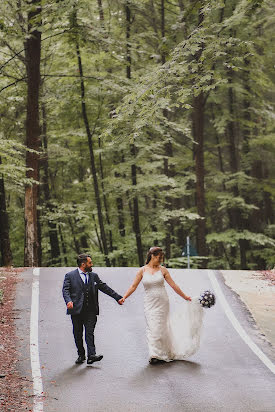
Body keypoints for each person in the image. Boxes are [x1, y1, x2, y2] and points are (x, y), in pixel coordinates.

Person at [119, 246, 204, 364]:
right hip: (149, 302)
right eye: (159, 258)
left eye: (161, 258)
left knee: (161, 327)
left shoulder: (163, 270)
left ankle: (160, 353)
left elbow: (174, 285)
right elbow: (133, 286)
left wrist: (185, 297)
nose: (160, 260)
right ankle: (154, 354)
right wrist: (124, 297)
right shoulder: (142, 270)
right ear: (152, 256)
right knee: (152, 327)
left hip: (163, 302)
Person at [62, 253, 123, 365]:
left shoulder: (93, 276)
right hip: (76, 310)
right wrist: (68, 301)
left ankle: (91, 355)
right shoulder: (70, 276)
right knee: (78, 333)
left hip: (90, 310)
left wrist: (117, 297)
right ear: (83, 264)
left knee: (89, 332)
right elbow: (65, 290)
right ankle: (81, 355)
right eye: (90, 262)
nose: (92, 264)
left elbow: (104, 287)